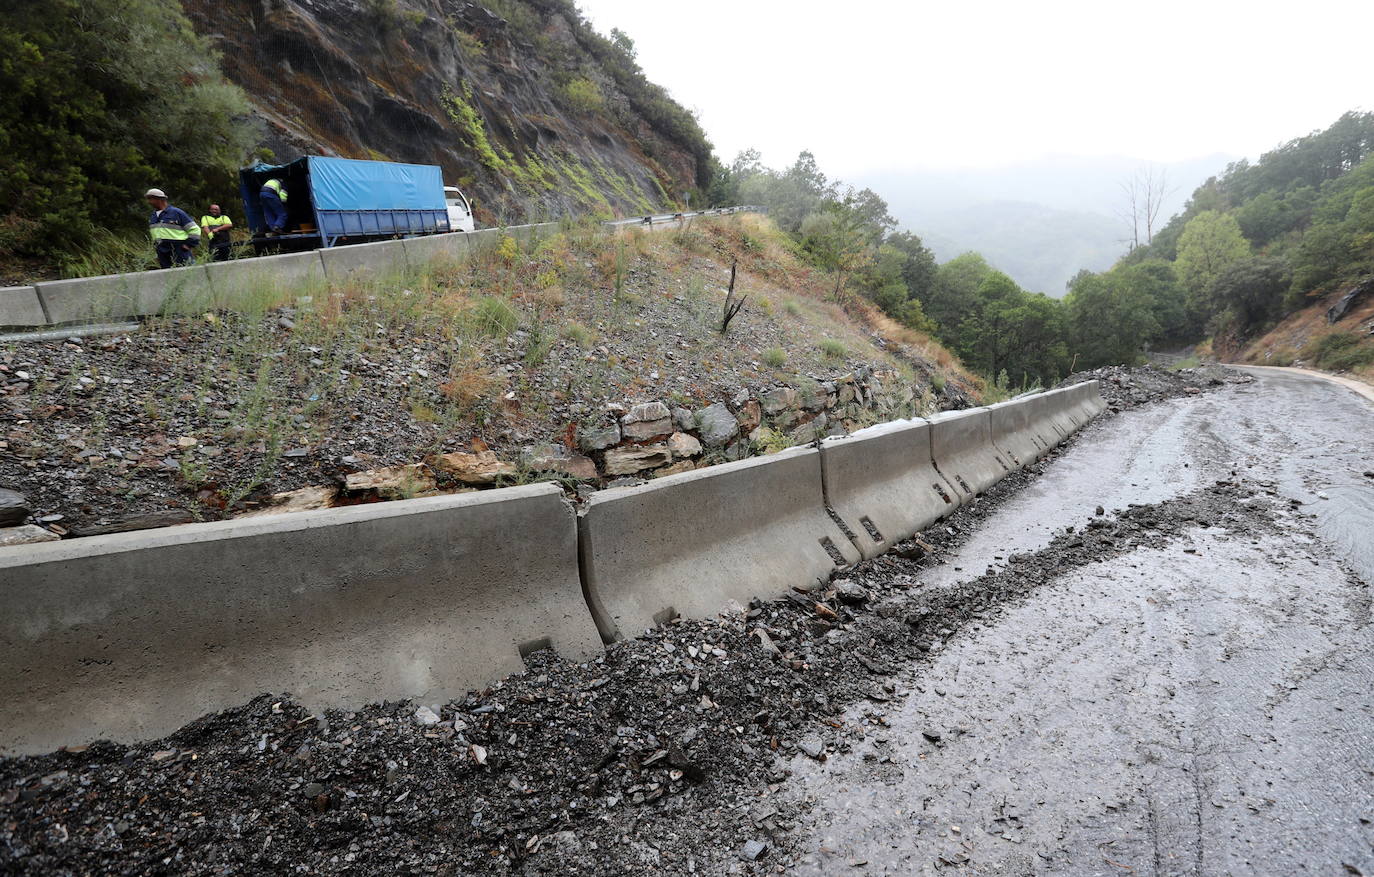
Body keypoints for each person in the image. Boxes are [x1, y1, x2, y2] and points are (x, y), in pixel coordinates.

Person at [144, 188, 200, 268]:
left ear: (159, 199)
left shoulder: (176, 212)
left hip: (179, 249)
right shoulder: (153, 216)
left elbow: (194, 229)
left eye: (150, 199)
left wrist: (189, 244)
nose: (149, 202)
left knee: (186, 272)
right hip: (162, 251)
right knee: (169, 276)